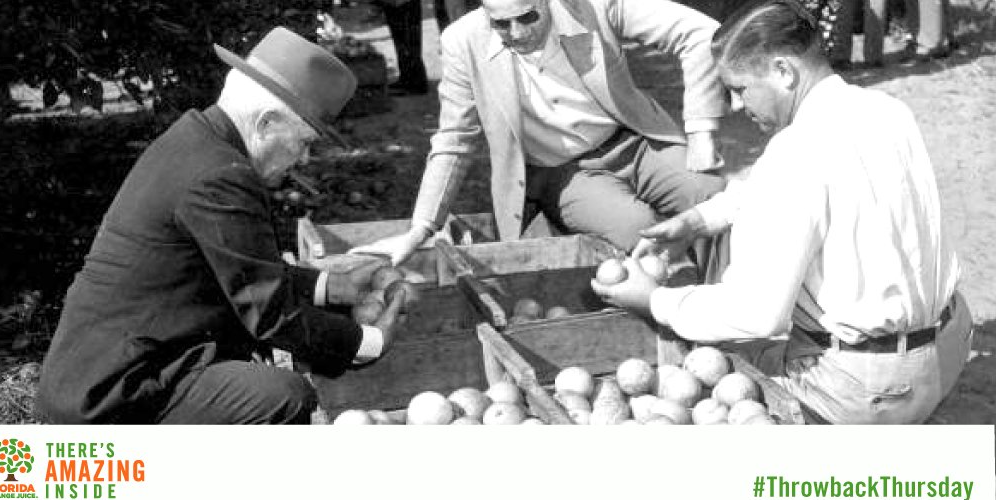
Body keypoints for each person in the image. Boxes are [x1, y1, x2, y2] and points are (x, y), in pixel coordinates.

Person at [592, 0, 972, 424]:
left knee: (710, 371)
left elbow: (755, 314)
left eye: (739, 89)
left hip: (869, 389)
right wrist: (701, 220)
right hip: (947, 349)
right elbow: (810, 185)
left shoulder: (794, 153)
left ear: (783, 71)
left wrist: (655, 300)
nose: (737, 106)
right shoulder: (885, 110)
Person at [37, 27, 404, 424]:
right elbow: (268, 312)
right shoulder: (221, 176)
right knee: (282, 397)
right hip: (115, 394)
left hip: (112, 367)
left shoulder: (198, 141)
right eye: (304, 142)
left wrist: (332, 285)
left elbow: (243, 269)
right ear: (266, 123)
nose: (304, 160)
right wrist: (368, 343)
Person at [354, 0, 729, 264]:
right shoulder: (462, 42)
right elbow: (454, 139)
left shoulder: (593, 6)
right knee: (638, 230)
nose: (516, 33)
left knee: (710, 196)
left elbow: (700, 33)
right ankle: (677, 323)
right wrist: (421, 227)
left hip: (634, 142)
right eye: (501, 24)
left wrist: (701, 130)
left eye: (528, 16)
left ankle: (729, 308)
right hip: (565, 173)